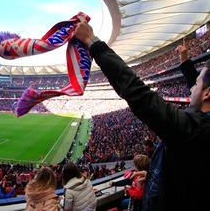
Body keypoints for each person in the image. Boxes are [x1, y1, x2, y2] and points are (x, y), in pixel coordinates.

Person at [75, 16, 210, 211]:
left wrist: (92, 42)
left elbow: (137, 92)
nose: (190, 90)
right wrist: (185, 62)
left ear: (207, 93)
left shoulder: (193, 131)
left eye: (196, 85)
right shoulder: (199, 129)